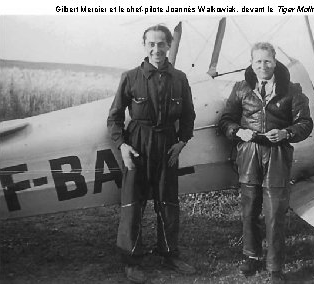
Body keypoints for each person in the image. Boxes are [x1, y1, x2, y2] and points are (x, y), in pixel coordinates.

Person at [107, 24, 196, 283]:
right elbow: (114, 118)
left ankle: (169, 253)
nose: (156, 49)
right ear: (144, 46)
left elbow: (188, 114)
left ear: (169, 46)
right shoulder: (131, 77)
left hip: (168, 144)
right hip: (137, 144)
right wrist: (123, 146)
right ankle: (131, 260)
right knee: (133, 203)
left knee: (168, 202)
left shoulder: (179, 78)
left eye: (161, 44)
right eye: (151, 44)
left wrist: (182, 142)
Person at [218, 42, 313, 284]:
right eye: (258, 61)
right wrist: (239, 132)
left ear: (275, 61)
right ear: (251, 63)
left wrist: (286, 133)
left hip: (277, 155)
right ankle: (251, 256)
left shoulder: (291, 90)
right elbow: (226, 121)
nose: (263, 66)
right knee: (249, 210)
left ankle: (275, 268)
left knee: (274, 213)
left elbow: (305, 124)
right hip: (249, 154)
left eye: (267, 61)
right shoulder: (241, 89)